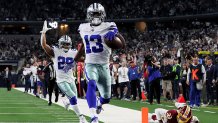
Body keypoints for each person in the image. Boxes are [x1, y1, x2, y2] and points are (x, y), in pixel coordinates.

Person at [74, 3, 125, 123]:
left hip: (104, 65)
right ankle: (93, 117)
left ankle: (100, 103)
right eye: (93, 14)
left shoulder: (110, 25)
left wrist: (116, 34)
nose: (96, 16)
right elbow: (83, 45)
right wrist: (76, 59)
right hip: (90, 64)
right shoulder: (82, 27)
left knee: (106, 98)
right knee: (91, 84)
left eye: (98, 14)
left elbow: (121, 41)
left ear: (103, 15)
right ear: (89, 15)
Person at [40, 21, 87, 123]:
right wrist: (43, 33)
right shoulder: (55, 52)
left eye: (67, 44)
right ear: (60, 44)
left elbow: (84, 58)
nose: (66, 46)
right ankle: (81, 118)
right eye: (64, 44)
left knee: (74, 98)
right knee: (73, 98)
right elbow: (44, 45)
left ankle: (66, 102)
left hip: (71, 79)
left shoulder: (73, 52)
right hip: (61, 80)